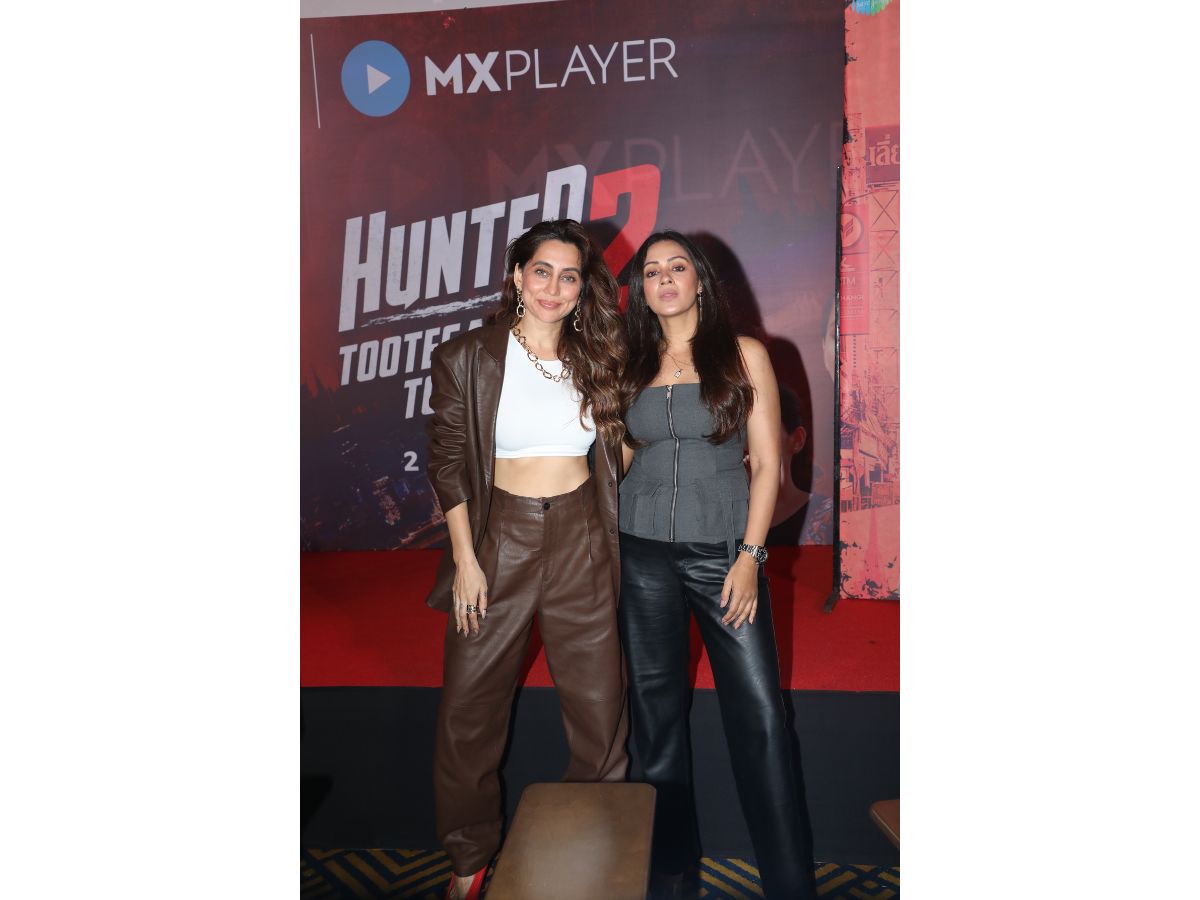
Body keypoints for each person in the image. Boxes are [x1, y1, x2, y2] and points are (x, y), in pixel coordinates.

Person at [424, 219, 630, 900]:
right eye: (542, 271)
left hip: (582, 540)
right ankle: (468, 859)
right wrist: (466, 560)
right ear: (517, 275)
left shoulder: (598, 356)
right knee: (468, 712)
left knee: (601, 711)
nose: (553, 288)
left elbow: (621, 452)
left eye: (569, 277)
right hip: (497, 542)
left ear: (582, 288)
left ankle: (592, 855)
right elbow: (447, 462)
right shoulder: (467, 357)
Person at [617, 231, 817, 899]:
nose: (664, 279)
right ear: (641, 289)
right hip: (642, 555)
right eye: (652, 271)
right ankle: (671, 875)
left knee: (761, 717)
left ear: (699, 280)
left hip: (724, 557)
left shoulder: (743, 354)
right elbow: (623, 457)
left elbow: (768, 464)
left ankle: (788, 884)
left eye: (677, 267)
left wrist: (751, 557)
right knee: (656, 724)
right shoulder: (631, 360)